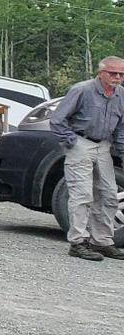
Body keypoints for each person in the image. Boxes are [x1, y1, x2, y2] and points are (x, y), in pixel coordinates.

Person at [50, 57, 124, 262]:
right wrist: (72, 142)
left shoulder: (121, 95)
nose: (117, 77)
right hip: (81, 142)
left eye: (121, 74)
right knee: (82, 194)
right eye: (112, 73)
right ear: (100, 72)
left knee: (109, 194)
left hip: (104, 146)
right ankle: (78, 242)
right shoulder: (82, 90)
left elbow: (121, 128)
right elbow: (57, 120)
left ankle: (102, 241)